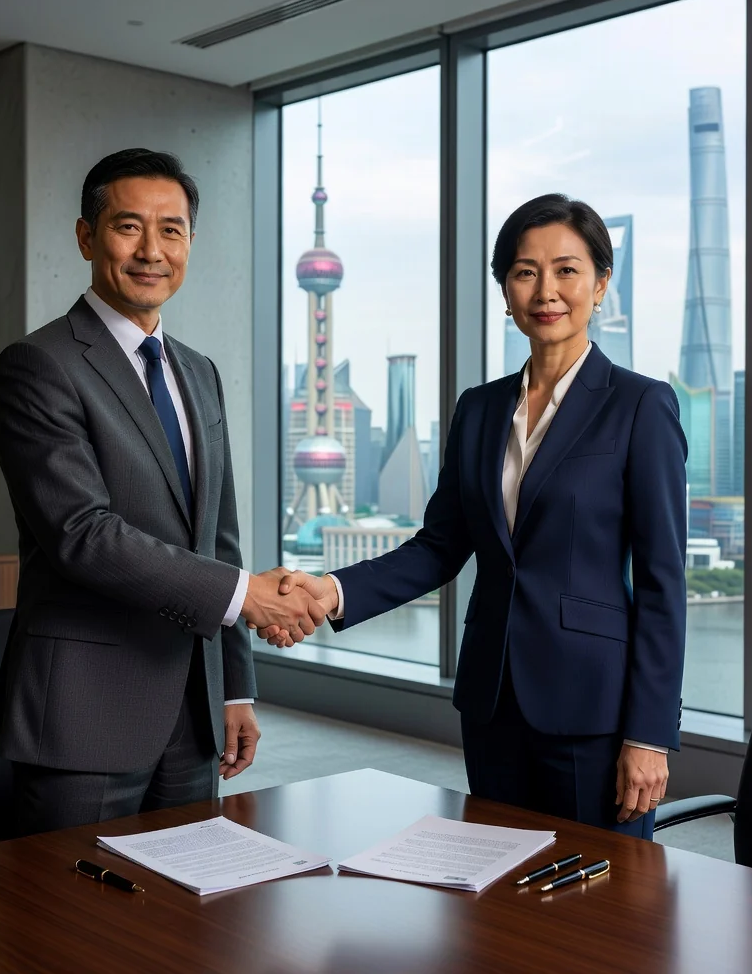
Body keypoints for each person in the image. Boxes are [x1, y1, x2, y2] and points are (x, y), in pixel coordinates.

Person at [260, 193, 687, 840]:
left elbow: (663, 583)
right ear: (506, 291)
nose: (546, 290)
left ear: (601, 284)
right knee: (497, 898)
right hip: (492, 703)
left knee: (604, 913)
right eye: (524, 271)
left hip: (593, 712)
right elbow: (439, 547)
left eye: (567, 270)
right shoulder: (480, 409)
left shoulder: (639, 406)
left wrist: (650, 735)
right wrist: (331, 590)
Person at [0, 148, 325, 834]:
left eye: (171, 230)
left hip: (194, 711)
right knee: (72, 923)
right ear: (87, 236)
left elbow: (217, 537)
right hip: (85, 713)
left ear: (190, 244)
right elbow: (83, 535)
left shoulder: (198, 372)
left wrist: (233, 688)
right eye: (128, 227)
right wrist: (247, 596)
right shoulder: (38, 367)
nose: (151, 251)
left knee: (185, 923)